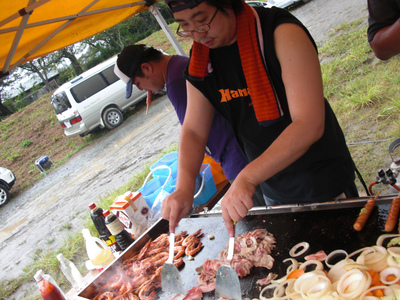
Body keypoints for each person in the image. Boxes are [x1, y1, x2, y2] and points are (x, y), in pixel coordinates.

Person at [160, 0, 359, 236]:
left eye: (203, 21)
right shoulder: (202, 59)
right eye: (185, 26)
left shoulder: (280, 32)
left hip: (321, 178)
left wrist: (247, 177)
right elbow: (193, 129)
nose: (197, 34)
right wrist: (184, 186)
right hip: (270, 184)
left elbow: (309, 123)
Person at [113, 44, 266, 206]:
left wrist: (183, 188)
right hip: (242, 154)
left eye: (138, 83)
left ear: (147, 68)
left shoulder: (177, 82)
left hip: (239, 160)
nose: (143, 89)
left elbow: (192, 133)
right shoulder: (178, 66)